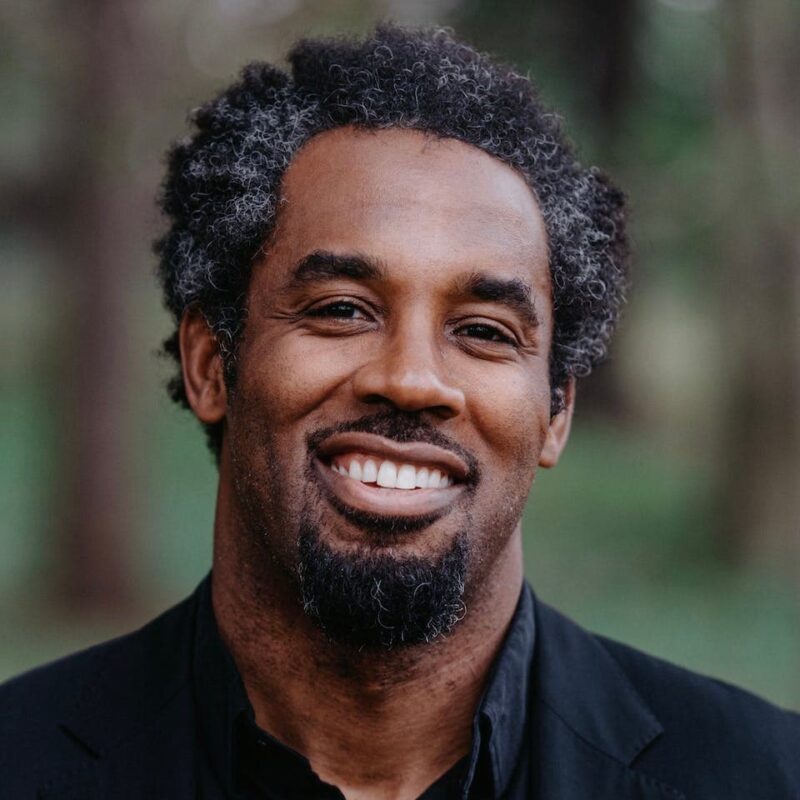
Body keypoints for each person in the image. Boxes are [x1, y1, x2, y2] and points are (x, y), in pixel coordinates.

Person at [1, 24, 797, 800]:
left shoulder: (765, 777)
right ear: (211, 364)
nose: (413, 380)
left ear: (556, 411)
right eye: (343, 310)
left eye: (483, 332)